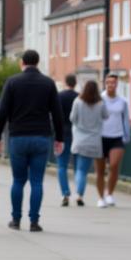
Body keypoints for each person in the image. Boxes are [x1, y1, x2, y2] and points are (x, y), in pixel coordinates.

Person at [0, 50, 64, 232]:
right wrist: (60, 138)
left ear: (21, 62)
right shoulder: (48, 83)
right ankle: (34, 221)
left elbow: (3, 112)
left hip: (18, 137)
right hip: (41, 136)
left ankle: (16, 219)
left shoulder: (12, 82)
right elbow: (57, 113)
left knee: (18, 180)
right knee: (37, 181)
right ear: (38, 63)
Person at [69, 80, 107, 206]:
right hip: (94, 140)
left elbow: (72, 118)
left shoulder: (78, 101)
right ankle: (79, 193)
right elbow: (106, 116)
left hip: (79, 139)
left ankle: (79, 193)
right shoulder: (101, 103)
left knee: (79, 169)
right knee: (83, 170)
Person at [95, 73, 130, 208]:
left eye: (113, 82)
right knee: (100, 169)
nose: (111, 85)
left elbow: (126, 118)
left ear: (117, 84)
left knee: (114, 165)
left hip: (117, 137)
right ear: (105, 84)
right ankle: (100, 197)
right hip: (101, 137)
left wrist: (127, 135)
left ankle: (110, 193)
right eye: (108, 82)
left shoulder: (122, 101)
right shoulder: (99, 99)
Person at [56, 74, 79, 206]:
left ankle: (65, 193)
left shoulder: (59, 96)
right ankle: (78, 192)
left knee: (62, 166)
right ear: (75, 83)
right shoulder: (79, 96)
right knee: (77, 166)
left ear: (65, 82)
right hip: (77, 133)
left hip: (62, 133)